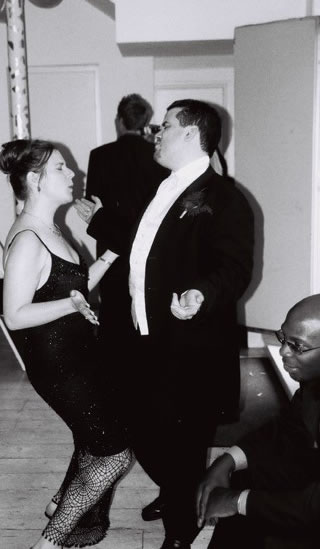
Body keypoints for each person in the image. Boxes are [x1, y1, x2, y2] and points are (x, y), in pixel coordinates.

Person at [124, 99, 254, 549]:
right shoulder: (159, 185)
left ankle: (181, 531)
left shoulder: (225, 197)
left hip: (189, 344)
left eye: (165, 126)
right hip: (146, 333)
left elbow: (234, 267)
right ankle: (180, 489)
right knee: (141, 429)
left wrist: (202, 292)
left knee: (180, 439)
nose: (156, 133)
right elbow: (146, 248)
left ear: (192, 134)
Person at [0, 139, 132, 549]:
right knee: (114, 454)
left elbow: (74, 286)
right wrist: (70, 304)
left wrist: (111, 255)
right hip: (58, 365)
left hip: (76, 356)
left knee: (92, 438)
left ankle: (59, 504)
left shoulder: (50, 228)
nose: (73, 172)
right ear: (34, 179)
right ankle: (50, 542)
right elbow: (15, 314)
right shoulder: (28, 239)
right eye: (61, 168)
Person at [197, 294, 320, 549]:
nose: (283, 351)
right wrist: (227, 461)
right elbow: (288, 427)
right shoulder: (313, 383)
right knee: (244, 476)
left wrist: (238, 501)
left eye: (297, 346)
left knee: (249, 510)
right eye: (283, 338)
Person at [76, 93, 168, 411]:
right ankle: (146, 383)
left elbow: (93, 205)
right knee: (146, 309)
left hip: (112, 244)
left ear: (118, 120)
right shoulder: (157, 155)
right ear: (145, 122)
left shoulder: (100, 155)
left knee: (114, 310)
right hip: (149, 245)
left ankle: (114, 387)